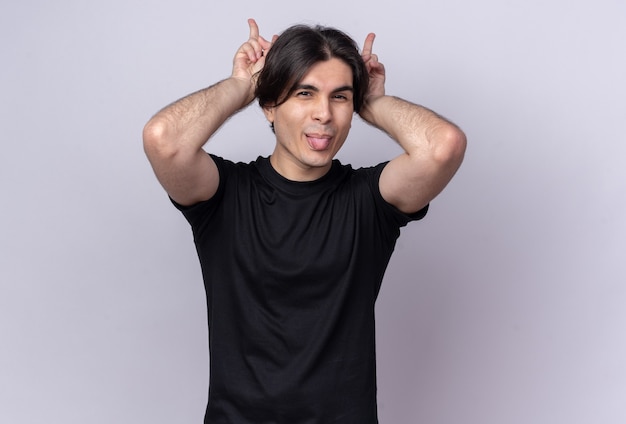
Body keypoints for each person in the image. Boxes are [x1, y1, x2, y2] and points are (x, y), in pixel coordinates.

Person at [143, 18, 466, 424]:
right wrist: (243, 86)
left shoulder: (368, 200)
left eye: (340, 97)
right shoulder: (226, 194)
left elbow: (443, 147)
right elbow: (163, 140)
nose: (324, 115)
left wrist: (372, 101)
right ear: (270, 107)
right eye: (304, 93)